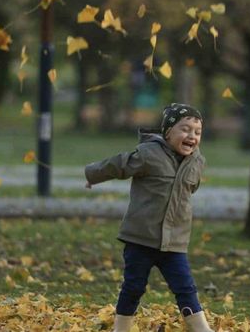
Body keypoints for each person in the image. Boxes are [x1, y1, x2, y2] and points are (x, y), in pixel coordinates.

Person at [85, 103, 213, 332]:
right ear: (168, 132)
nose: (191, 136)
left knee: (186, 288)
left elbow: (190, 190)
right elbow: (119, 165)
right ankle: (121, 329)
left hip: (174, 243)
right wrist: (93, 175)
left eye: (197, 132)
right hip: (141, 239)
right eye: (184, 129)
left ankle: (202, 329)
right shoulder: (148, 154)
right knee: (133, 287)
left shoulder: (197, 162)